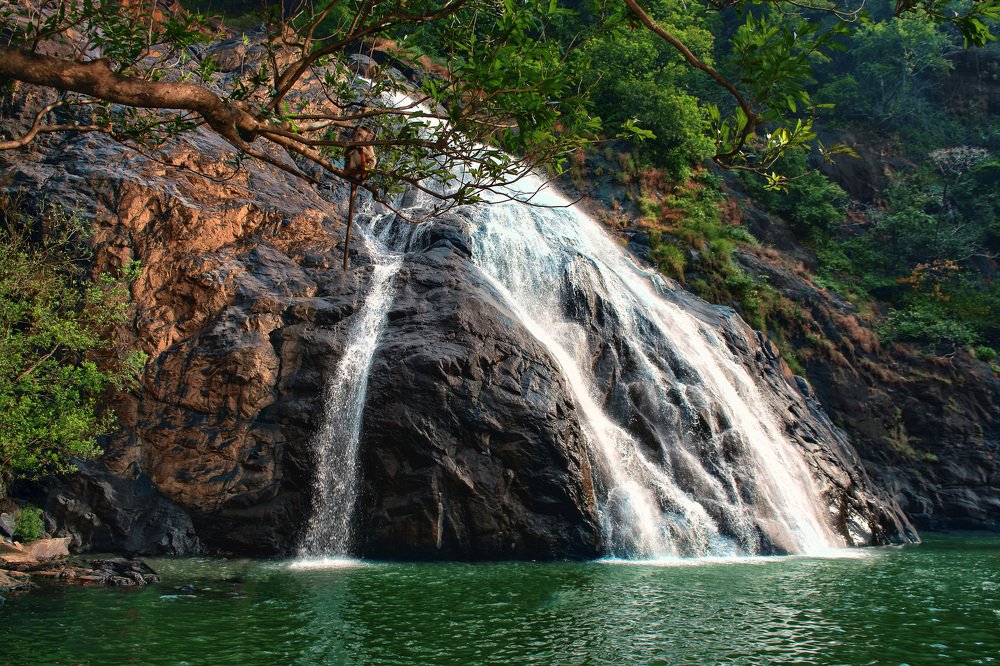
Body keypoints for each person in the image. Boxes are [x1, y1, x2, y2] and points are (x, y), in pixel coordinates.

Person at [342, 127, 377, 270]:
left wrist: (362, 149)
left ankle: (360, 175)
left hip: (362, 171)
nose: (356, 136)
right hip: (351, 170)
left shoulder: (368, 146)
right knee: (354, 152)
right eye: (355, 134)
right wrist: (353, 147)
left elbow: (373, 161)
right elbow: (346, 154)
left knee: (366, 157)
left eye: (359, 135)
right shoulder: (352, 143)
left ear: (366, 136)